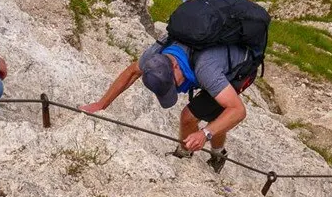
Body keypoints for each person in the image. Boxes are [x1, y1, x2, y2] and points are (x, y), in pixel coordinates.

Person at [81, 35, 257, 158]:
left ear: (174, 66)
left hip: (238, 71)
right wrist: (101, 104)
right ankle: (192, 151)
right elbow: (132, 72)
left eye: (174, 84)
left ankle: (215, 154)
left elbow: (238, 110)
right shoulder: (157, 55)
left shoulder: (206, 70)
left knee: (193, 116)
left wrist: (205, 133)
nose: (177, 89)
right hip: (212, 62)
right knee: (198, 115)